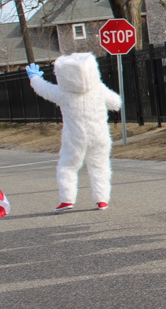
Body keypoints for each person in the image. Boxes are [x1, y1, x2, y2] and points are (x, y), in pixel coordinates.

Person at [26, 53, 122, 211]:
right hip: (99, 135)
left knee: (68, 166)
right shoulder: (99, 89)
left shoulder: (63, 93)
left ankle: (67, 199)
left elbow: (43, 89)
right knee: (100, 166)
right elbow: (116, 103)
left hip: (75, 137)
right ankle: (102, 199)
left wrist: (35, 78)